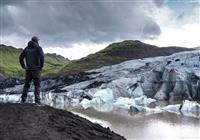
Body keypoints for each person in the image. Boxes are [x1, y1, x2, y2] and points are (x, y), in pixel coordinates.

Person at [19, 36, 44, 105]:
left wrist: (23, 66)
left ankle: (23, 100)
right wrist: (41, 66)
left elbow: (21, 57)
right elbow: (42, 57)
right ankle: (37, 101)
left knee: (26, 84)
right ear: (36, 41)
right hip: (36, 69)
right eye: (38, 40)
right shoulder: (39, 48)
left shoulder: (26, 48)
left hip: (28, 69)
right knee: (37, 85)